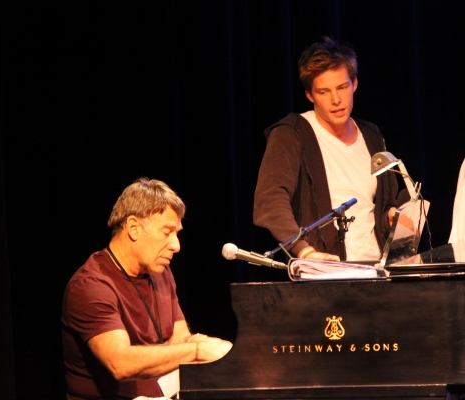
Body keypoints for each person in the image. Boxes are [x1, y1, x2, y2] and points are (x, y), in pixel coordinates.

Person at [62, 178, 232, 400]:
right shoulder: (90, 286)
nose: (176, 245)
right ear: (133, 228)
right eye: (167, 232)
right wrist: (196, 351)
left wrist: (205, 346)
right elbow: (119, 363)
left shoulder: (160, 272)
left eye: (177, 233)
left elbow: (179, 337)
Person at [254, 37, 398, 261]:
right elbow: (269, 201)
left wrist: (393, 216)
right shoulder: (292, 134)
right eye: (324, 92)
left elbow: (383, 204)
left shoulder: (371, 135)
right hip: (325, 275)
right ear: (310, 95)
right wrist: (305, 251)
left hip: (377, 272)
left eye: (342, 87)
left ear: (354, 84)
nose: (336, 99)